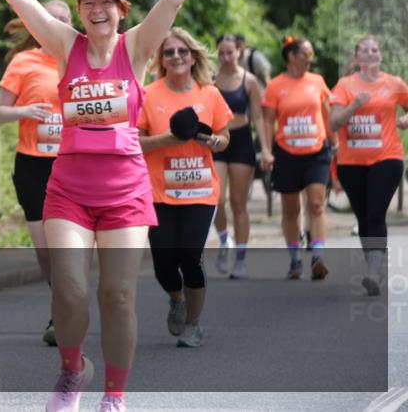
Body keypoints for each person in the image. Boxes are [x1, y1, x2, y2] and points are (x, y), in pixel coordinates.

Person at [0, 0, 237, 412]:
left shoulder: (137, 49)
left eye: (107, 1)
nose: (98, 9)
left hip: (124, 191)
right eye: (89, 1)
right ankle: (72, 373)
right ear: (80, 10)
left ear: (122, 10)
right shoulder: (62, 45)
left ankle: (114, 396)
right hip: (70, 188)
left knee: (116, 296)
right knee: (69, 290)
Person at [138, 28, 232, 348]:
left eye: (182, 51)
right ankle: (176, 298)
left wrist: (218, 142)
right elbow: (133, 143)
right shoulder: (148, 94)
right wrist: (167, 140)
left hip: (200, 192)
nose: (176, 56)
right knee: (164, 262)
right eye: (169, 52)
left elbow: (224, 136)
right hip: (159, 192)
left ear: (193, 57)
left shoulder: (210, 94)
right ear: (161, 61)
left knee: (191, 256)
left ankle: (193, 323)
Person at [0, 0, 73, 346]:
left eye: (63, 20)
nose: (56, 25)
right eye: (50, 19)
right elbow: (0, 113)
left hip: (72, 163)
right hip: (32, 163)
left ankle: (64, 312)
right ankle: (62, 298)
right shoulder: (23, 62)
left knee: (64, 246)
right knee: (44, 249)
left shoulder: (80, 60)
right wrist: (26, 110)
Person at [330, 36, 408, 295]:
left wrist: (406, 118)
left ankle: (374, 272)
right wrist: (355, 104)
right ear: (357, 58)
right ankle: (373, 264)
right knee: (363, 216)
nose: (370, 53)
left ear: (380, 56)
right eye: (365, 50)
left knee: (375, 212)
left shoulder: (394, 83)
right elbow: (334, 123)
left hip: (387, 157)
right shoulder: (344, 85)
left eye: (375, 49)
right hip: (352, 162)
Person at [261, 35, 332, 282]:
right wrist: (267, 151)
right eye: (306, 54)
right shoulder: (275, 85)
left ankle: (318, 257)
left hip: (317, 152)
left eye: (312, 55)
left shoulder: (317, 82)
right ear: (292, 56)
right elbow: (268, 121)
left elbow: (327, 115)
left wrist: (337, 144)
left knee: (316, 203)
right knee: (291, 210)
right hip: (287, 153)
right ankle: (295, 259)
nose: (310, 60)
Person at [211, 33, 266, 279]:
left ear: (239, 52)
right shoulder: (210, 79)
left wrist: (265, 148)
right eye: (221, 52)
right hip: (218, 141)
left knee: (238, 202)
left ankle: (241, 258)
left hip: (242, 139)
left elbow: (258, 117)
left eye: (229, 52)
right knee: (215, 199)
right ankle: (225, 240)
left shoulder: (249, 80)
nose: (225, 57)